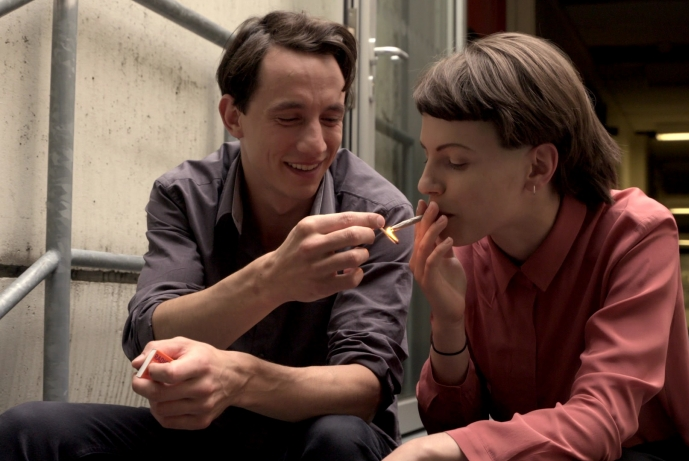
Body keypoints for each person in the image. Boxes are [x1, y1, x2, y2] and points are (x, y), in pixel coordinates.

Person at [0, 10, 413, 461]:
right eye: (289, 118)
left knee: (340, 436)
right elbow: (149, 334)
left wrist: (240, 378)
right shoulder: (185, 193)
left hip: (315, 438)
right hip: (209, 434)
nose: (316, 144)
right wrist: (272, 279)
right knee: (29, 431)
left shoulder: (380, 212)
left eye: (331, 118)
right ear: (233, 116)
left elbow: (365, 389)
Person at [384, 32, 689, 461]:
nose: (425, 182)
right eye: (429, 155)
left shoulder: (637, 235)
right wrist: (449, 324)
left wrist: (432, 451)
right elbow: (452, 428)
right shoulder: (465, 249)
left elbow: (600, 420)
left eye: (456, 161)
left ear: (538, 166)